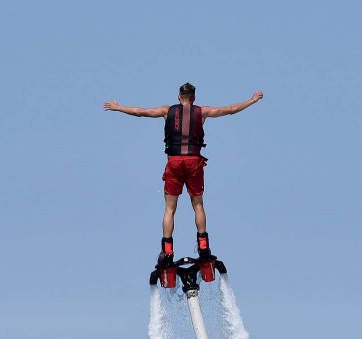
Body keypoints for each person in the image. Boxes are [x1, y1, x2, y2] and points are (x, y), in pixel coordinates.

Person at [103, 83, 264, 266]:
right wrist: (252, 100)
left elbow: (140, 112)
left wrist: (118, 107)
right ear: (194, 98)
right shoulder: (202, 112)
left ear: (179, 97)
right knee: (198, 204)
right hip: (194, 162)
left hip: (174, 163)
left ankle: (167, 251)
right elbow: (231, 110)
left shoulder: (166, 111)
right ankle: (203, 246)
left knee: (170, 209)